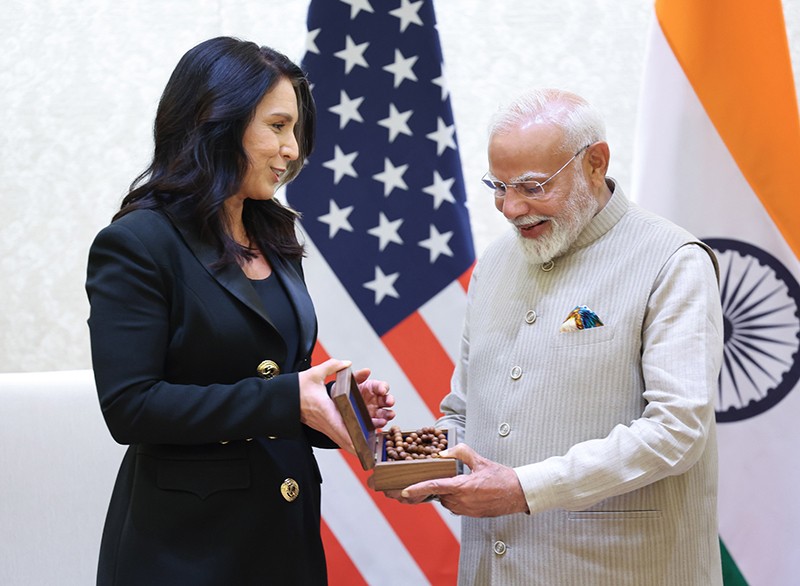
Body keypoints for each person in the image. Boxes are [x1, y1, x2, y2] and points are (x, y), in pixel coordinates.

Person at [85, 36, 395, 585]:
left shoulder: (272, 230)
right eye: (277, 127)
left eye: (294, 130)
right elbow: (129, 407)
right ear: (215, 122)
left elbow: (270, 377)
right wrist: (288, 399)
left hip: (284, 541)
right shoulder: (137, 242)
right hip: (186, 552)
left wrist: (329, 408)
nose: (293, 149)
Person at [394, 89, 724, 585]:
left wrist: (523, 488)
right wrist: (410, 459)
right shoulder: (497, 263)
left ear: (595, 162)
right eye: (498, 186)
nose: (509, 207)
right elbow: (464, 412)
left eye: (531, 186)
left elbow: (678, 430)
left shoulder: (672, 261)